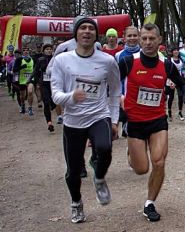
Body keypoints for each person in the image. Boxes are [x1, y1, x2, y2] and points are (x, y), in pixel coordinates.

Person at [50, 17, 121, 224]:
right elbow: (55, 95)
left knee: (104, 147)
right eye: (83, 28)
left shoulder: (107, 61)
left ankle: (99, 178)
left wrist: (114, 119)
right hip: (73, 121)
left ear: (96, 35)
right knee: (73, 170)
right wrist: (71, 96)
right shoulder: (63, 60)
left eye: (91, 28)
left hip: (99, 115)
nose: (87, 32)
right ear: (76, 33)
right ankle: (76, 203)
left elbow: (116, 90)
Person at [119, 23, 185, 222]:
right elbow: (112, 83)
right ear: (139, 40)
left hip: (157, 120)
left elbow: (179, 81)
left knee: (159, 161)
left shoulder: (166, 65)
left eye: (151, 39)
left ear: (159, 40)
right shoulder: (129, 61)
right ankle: (131, 152)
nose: (148, 43)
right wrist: (117, 101)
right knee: (141, 169)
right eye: (144, 39)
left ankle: (150, 203)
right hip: (135, 121)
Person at [34, 43, 59, 132]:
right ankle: (49, 123)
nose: (49, 51)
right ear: (43, 51)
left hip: (53, 84)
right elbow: (36, 72)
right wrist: (37, 82)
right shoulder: (40, 59)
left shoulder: (56, 59)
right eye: (47, 49)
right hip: (43, 84)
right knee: (46, 102)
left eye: (50, 49)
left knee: (54, 102)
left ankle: (54, 108)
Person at [165, 46, 185, 121]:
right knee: (171, 97)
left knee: (180, 96)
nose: (176, 52)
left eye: (177, 50)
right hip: (171, 80)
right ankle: (169, 112)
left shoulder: (181, 60)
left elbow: (181, 70)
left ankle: (180, 112)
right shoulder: (169, 60)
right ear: (172, 52)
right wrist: (169, 80)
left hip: (179, 80)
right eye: (175, 50)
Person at [16, 47, 35, 116]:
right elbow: (15, 69)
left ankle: (30, 108)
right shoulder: (19, 59)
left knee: (30, 92)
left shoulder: (32, 59)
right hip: (22, 79)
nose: (26, 51)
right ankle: (23, 105)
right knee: (22, 96)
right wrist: (22, 67)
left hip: (30, 79)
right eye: (24, 50)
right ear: (22, 52)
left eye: (27, 50)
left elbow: (35, 67)